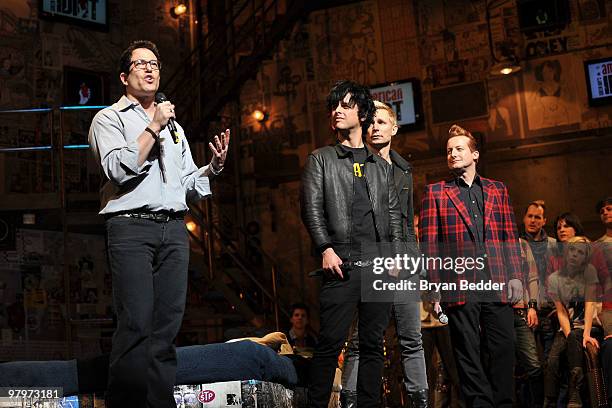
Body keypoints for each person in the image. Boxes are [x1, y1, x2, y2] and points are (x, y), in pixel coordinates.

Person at [88, 40, 230, 408]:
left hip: (172, 229)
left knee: (166, 329)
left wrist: (212, 168)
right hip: (131, 228)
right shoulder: (109, 119)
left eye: (155, 63)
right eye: (140, 64)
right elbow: (118, 168)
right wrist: (153, 126)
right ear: (124, 76)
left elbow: (184, 186)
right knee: (136, 324)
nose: (150, 69)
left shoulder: (175, 127)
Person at [300, 80, 403, 408]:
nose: (337, 111)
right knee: (330, 344)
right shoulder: (322, 159)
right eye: (334, 106)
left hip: (378, 265)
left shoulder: (380, 166)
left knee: (373, 346)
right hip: (340, 263)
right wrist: (325, 249)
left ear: (363, 112)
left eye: (345, 105)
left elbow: (393, 215)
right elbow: (311, 208)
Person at [419, 124, 524, 408]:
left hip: (496, 279)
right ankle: (480, 404)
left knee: (502, 346)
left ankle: (503, 402)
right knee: (466, 349)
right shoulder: (436, 193)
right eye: (449, 150)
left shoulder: (497, 190)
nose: (452, 154)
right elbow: (430, 246)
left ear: (474, 154)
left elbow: (509, 236)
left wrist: (516, 276)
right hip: (459, 282)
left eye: (459, 149)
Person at [340, 101, 428, 407]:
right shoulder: (354, 165)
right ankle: (351, 401)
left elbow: (407, 221)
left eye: (381, 122)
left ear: (394, 127)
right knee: (360, 342)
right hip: (370, 264)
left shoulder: (404, 169)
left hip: (404, 264)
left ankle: (420, 401)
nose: (375, 127)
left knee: (412, 340)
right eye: (371, 123)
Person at [543, 236, 601, 408]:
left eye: (580, 252)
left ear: (585, 257)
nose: (575, 255)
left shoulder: (589, 271)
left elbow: (590, 303)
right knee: (552, 359)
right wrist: (569, 337)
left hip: (588, 325)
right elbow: (561, 311)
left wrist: (587, 333)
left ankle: (575, 393)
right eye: (572, 250)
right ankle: (549, 402)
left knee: (576, 336)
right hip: (567, 327)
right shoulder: (554, 278)